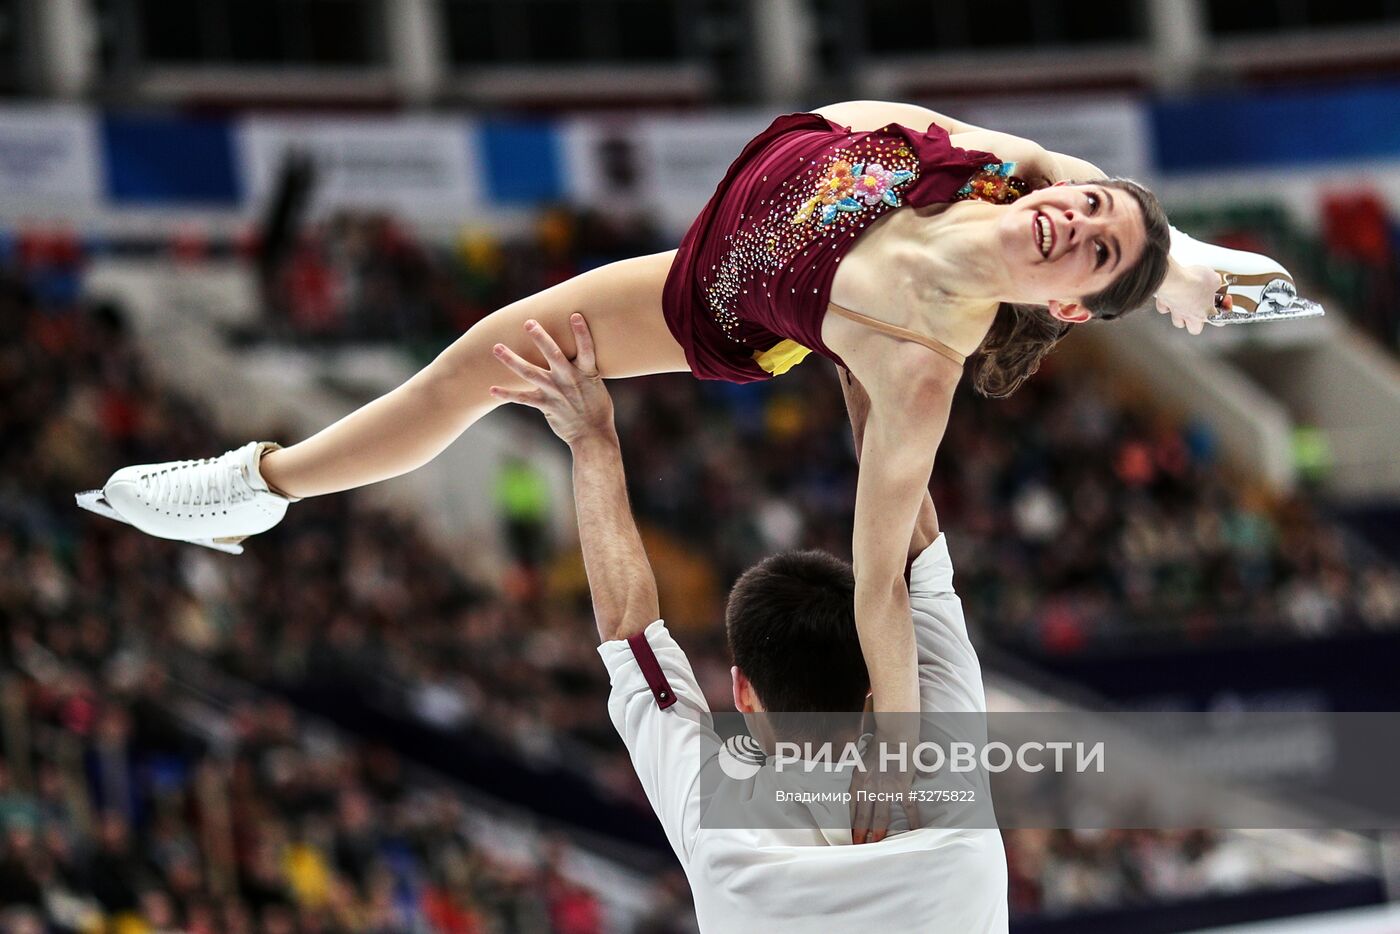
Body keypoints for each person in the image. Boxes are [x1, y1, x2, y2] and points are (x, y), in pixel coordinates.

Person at [81, 101, 1256, 831]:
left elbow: (879, 582)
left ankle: (256, 488)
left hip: (717, 292)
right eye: (1088, 206)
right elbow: (1071, 172)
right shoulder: (1010, 171)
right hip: (776, 177)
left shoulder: (915, 371)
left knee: (468, 370)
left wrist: (901, 757)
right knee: (469, 358)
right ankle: (1171, 264)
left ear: (1068, 299)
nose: (1075, 218)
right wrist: (1185, 259)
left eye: (1094, 250)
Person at [496, 316, 1007, 932]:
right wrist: (859, 343)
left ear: (742, 693)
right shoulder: (945, 772)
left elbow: (633, 634)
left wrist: (591, 437)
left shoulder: (721, 823)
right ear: (874, 677)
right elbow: (911, 547)